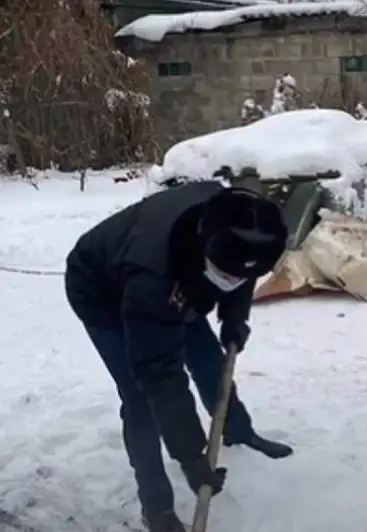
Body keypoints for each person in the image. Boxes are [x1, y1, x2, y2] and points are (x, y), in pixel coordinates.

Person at [64, 183, 294, 532]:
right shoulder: (152, 277)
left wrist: (234, 319)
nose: (234, 280)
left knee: (210, 363)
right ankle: (157, 508)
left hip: (179, 277)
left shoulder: (243, 221)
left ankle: (238, 430)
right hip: (102, 290)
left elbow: (242, 273)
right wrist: (190, 454)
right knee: (141, 398)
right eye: (226, 274)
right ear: (205, 246)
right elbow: (159, 371)